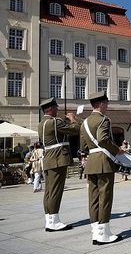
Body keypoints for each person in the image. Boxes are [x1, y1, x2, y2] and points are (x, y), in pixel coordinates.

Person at [80, 91, 124, 245]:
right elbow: (103, 139)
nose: (108, 105)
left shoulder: (84, 122)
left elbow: (83, 146)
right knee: (105, 197)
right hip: (103, 162)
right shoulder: (103, 120)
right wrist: (117, 150)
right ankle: (104, 232)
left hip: (91, 162)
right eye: (107, 103)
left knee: (93, 198)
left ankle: (95, 231)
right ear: (101, 104)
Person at [38, 97, 81, 232]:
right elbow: (75, 130)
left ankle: (49, 219)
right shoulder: (55, 121)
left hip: (48, 159)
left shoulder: (42, 123)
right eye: (56, 107)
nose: (58, 109)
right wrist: (73, 118)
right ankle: (54, 221)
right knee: (56, 190)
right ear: (50, 109)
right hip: (58, 158)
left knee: (49, 191)